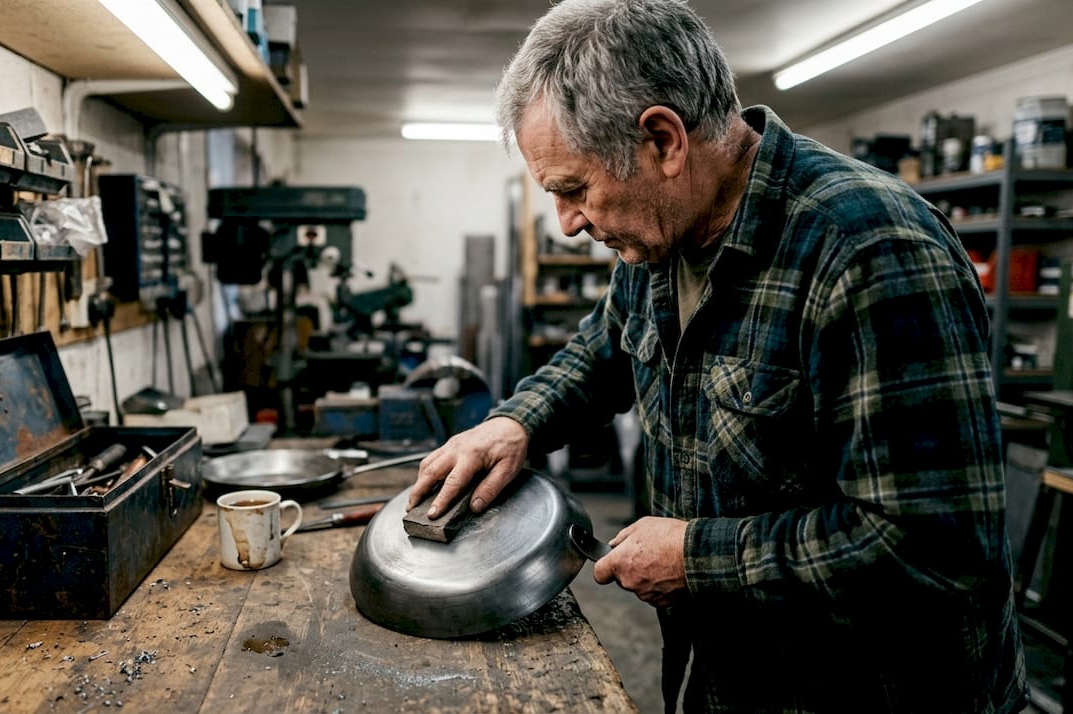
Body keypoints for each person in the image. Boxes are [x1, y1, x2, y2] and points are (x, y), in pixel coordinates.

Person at [407, 0, 1028, 711]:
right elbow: (603, 350)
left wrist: (696, 559)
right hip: (728, 674)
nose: (569, 224)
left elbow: (934, 548)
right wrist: (514, 423)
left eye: (575, 190)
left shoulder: (870, 252)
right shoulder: (661, 237)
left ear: (663, 141)